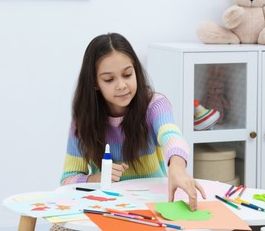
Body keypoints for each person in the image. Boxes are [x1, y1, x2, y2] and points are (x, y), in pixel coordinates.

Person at [60, 32, 206, 211]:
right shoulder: (83, 120)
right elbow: (67, 180)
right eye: (109, 79)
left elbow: (171, 134)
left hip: (152, 205)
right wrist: (97, 178)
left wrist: (177, 166)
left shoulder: (154, 105)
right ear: (95, 83)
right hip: (107, 208)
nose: (121, 85)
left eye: (127, 75)